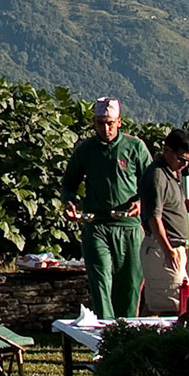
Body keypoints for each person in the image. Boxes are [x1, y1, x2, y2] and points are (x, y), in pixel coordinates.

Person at [61, 96, 152, 320]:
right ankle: (105, 334)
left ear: (119, 122)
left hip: (129, 226)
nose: (106, 128)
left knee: (130, 283)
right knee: (100, 280)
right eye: (101, 123)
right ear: (94, 123)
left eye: (110, 123)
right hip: (97, 224)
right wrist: (70, 203)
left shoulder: (135, 147)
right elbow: (68, 184)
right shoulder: (86, 150)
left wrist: (141, 202)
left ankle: (128, 332)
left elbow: (152, 184)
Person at [139, 127, 189, 316]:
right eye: (181, 159)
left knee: (160, 303)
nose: (184, 165)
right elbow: (154, 217)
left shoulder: (171, 173)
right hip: (162, 250)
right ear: (167, 150)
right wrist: (168, 250)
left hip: (172, 249)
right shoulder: (157, 176)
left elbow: (179, 205)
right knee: (172, 305)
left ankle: (139, 340)